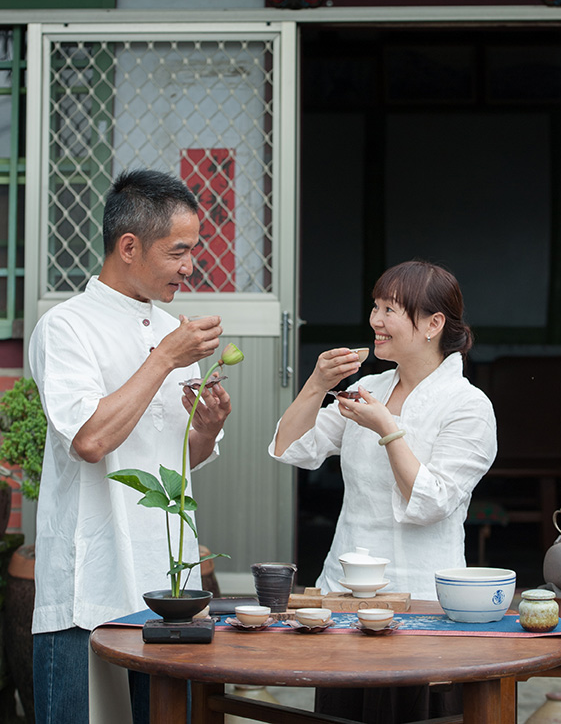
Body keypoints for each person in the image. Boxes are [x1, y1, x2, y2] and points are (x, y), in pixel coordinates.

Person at [28, 168, 232, 724]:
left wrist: (207, 429)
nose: (191, 266)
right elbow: (91, 440)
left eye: (194, 250)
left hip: (170, 582)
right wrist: (164, 356)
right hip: (88, 582)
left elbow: (173, 458)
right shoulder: (66, 327)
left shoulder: (170, 329)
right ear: (128, 246)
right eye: (179, 251)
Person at [269, 259, 497, 723]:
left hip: (423, 598)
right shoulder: (367, 388)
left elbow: (431, 501)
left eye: (391, 309)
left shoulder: (469, 406)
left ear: (434, 324)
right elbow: (290, 447)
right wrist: (316, 385)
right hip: (345, 595)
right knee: (343, 710)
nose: (375, 320)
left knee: (418, 711)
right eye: (375, 307)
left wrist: (388, 430)